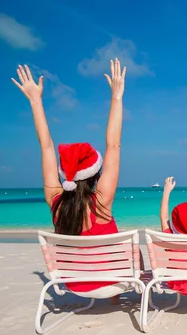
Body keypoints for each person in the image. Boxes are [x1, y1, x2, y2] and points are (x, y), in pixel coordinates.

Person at [12, 59, 129, 305]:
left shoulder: (55, 200)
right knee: (129, 251)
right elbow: (114, 145)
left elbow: (46, 148)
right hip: (111, 283)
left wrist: (35, 101)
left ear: (64, 174)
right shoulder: (101, 202)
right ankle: (116, 298)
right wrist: (117, 97)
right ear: (96, 173)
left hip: (74, 284)